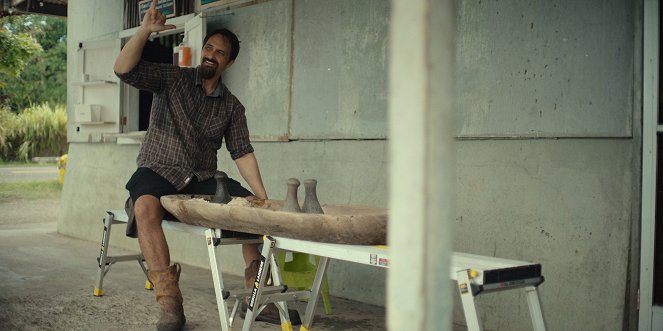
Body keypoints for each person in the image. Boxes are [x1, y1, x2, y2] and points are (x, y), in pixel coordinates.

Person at [113, 1, 299, 329]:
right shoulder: (173, 78)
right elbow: (124, 69)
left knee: (253, 212)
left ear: (230, 61)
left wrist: (262, 200)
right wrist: (144, 30)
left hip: (201, 178)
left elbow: (242, 153)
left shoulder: (232, 106)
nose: (211, 54)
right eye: (208, 47)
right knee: (143, 207)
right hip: (157, 168)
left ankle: (258, 298)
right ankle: (170, 305)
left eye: (220, 52)